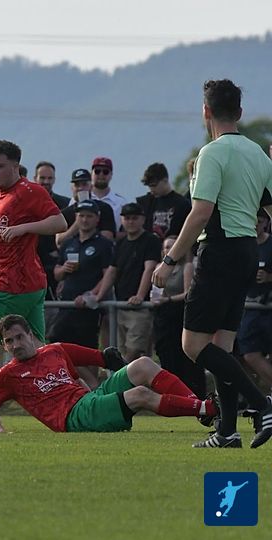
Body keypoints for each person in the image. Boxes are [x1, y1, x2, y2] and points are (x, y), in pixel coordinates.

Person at [151, 78, 272, 449]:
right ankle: (227, 432)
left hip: (219, 251)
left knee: (193, 345)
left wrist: (170, 259)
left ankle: (263, 405)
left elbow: (201, 212)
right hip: (247, 252)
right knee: (222, 345)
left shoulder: (212, 153)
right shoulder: (258, 154)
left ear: (206, 111)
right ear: (240, 112)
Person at [0, 140, 67, 430]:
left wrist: (24, 228)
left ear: (16, 166)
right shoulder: (0, 195)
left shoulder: (30, 191)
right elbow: (1, 230)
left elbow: (59, 223)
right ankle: (72, 400)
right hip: (30, 284)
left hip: (11, 286)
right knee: (40, 350)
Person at [0, 314, 218, 434]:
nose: (16, 344)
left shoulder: (54, 351)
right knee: (140, 394)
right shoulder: (7, 374)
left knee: (144, 364)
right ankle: (209, 408)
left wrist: (110, 361)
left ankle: (201, 408)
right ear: (4, 346)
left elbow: (93, 364)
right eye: (9, 341)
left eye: (19, 337)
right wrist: (0, 431)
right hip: (73, 418)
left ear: (30, 334)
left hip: (88, 402)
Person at [50, 200, 115, 381]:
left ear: (97, 219)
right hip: (67, 304)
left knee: (87, 350)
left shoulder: (103, 244)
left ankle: (92, 385)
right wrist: (64, 269)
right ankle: (74, 384)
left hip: (88, 307)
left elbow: (109, 275)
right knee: (57, 341)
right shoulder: (68, 243)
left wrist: (91, 295)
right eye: (81, 216)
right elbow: (56, 273)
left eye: (89, 216)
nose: (85, 220)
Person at [97, 203, 161, 361]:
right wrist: (99, 295)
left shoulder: (150, 240)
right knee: (121, 351)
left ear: (142, 219)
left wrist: (140, 295)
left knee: (135, 350)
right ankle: (124, 377)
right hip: (120, 304)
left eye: (134, 218)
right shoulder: (121, 243)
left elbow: (149, 268)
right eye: (127, 218)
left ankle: (124, 375)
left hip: (140, 307)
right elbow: (112, 271)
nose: (131, 222)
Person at [150, 236, 204, 398]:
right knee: (165, 355)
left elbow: (188, 293)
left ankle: (193, 396)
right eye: (166, 247)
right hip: (162, 317)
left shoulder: (187, 267)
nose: (169, 250)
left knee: (185, 359)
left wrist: (167, 300)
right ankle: (171, 395)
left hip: (179, 315)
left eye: (172, 247)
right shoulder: (159, 268)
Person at [235, 210, 272, 392]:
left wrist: (269, 277)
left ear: (265, 222)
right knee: (249, 354)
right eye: (252, 221)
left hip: (268, 307)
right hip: (248, 308)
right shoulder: (242, 245)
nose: (255, 225)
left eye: (259, 221)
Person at [33, 161, 70, 301]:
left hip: (56, 264)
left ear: (54, 179)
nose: (46, 182)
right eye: (42, 178)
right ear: (35, 178)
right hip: (31, 263)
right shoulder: (24, 204)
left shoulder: (65, 204)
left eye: (50, 178)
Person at [55, 168, 116, 247]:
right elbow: (59, 242)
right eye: (77, 185)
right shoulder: (65, 213)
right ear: (72, 188)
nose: (80, 188)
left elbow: (108, 238)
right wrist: (77, 224)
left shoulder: (104, 208)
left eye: (84, 184)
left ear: (91, 187)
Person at [135, 162, 191, 239]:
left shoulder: (182, 204)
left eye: (154, 185)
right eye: (149, 186)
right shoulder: (144, 203)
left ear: (165, 180)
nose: (151, 189)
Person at [89, 156, 128, 229]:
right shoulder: (81, 198)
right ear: (91, 173)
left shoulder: (121, 203)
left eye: (105, 172)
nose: (101, 174)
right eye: (97, 171)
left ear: (111, 175)